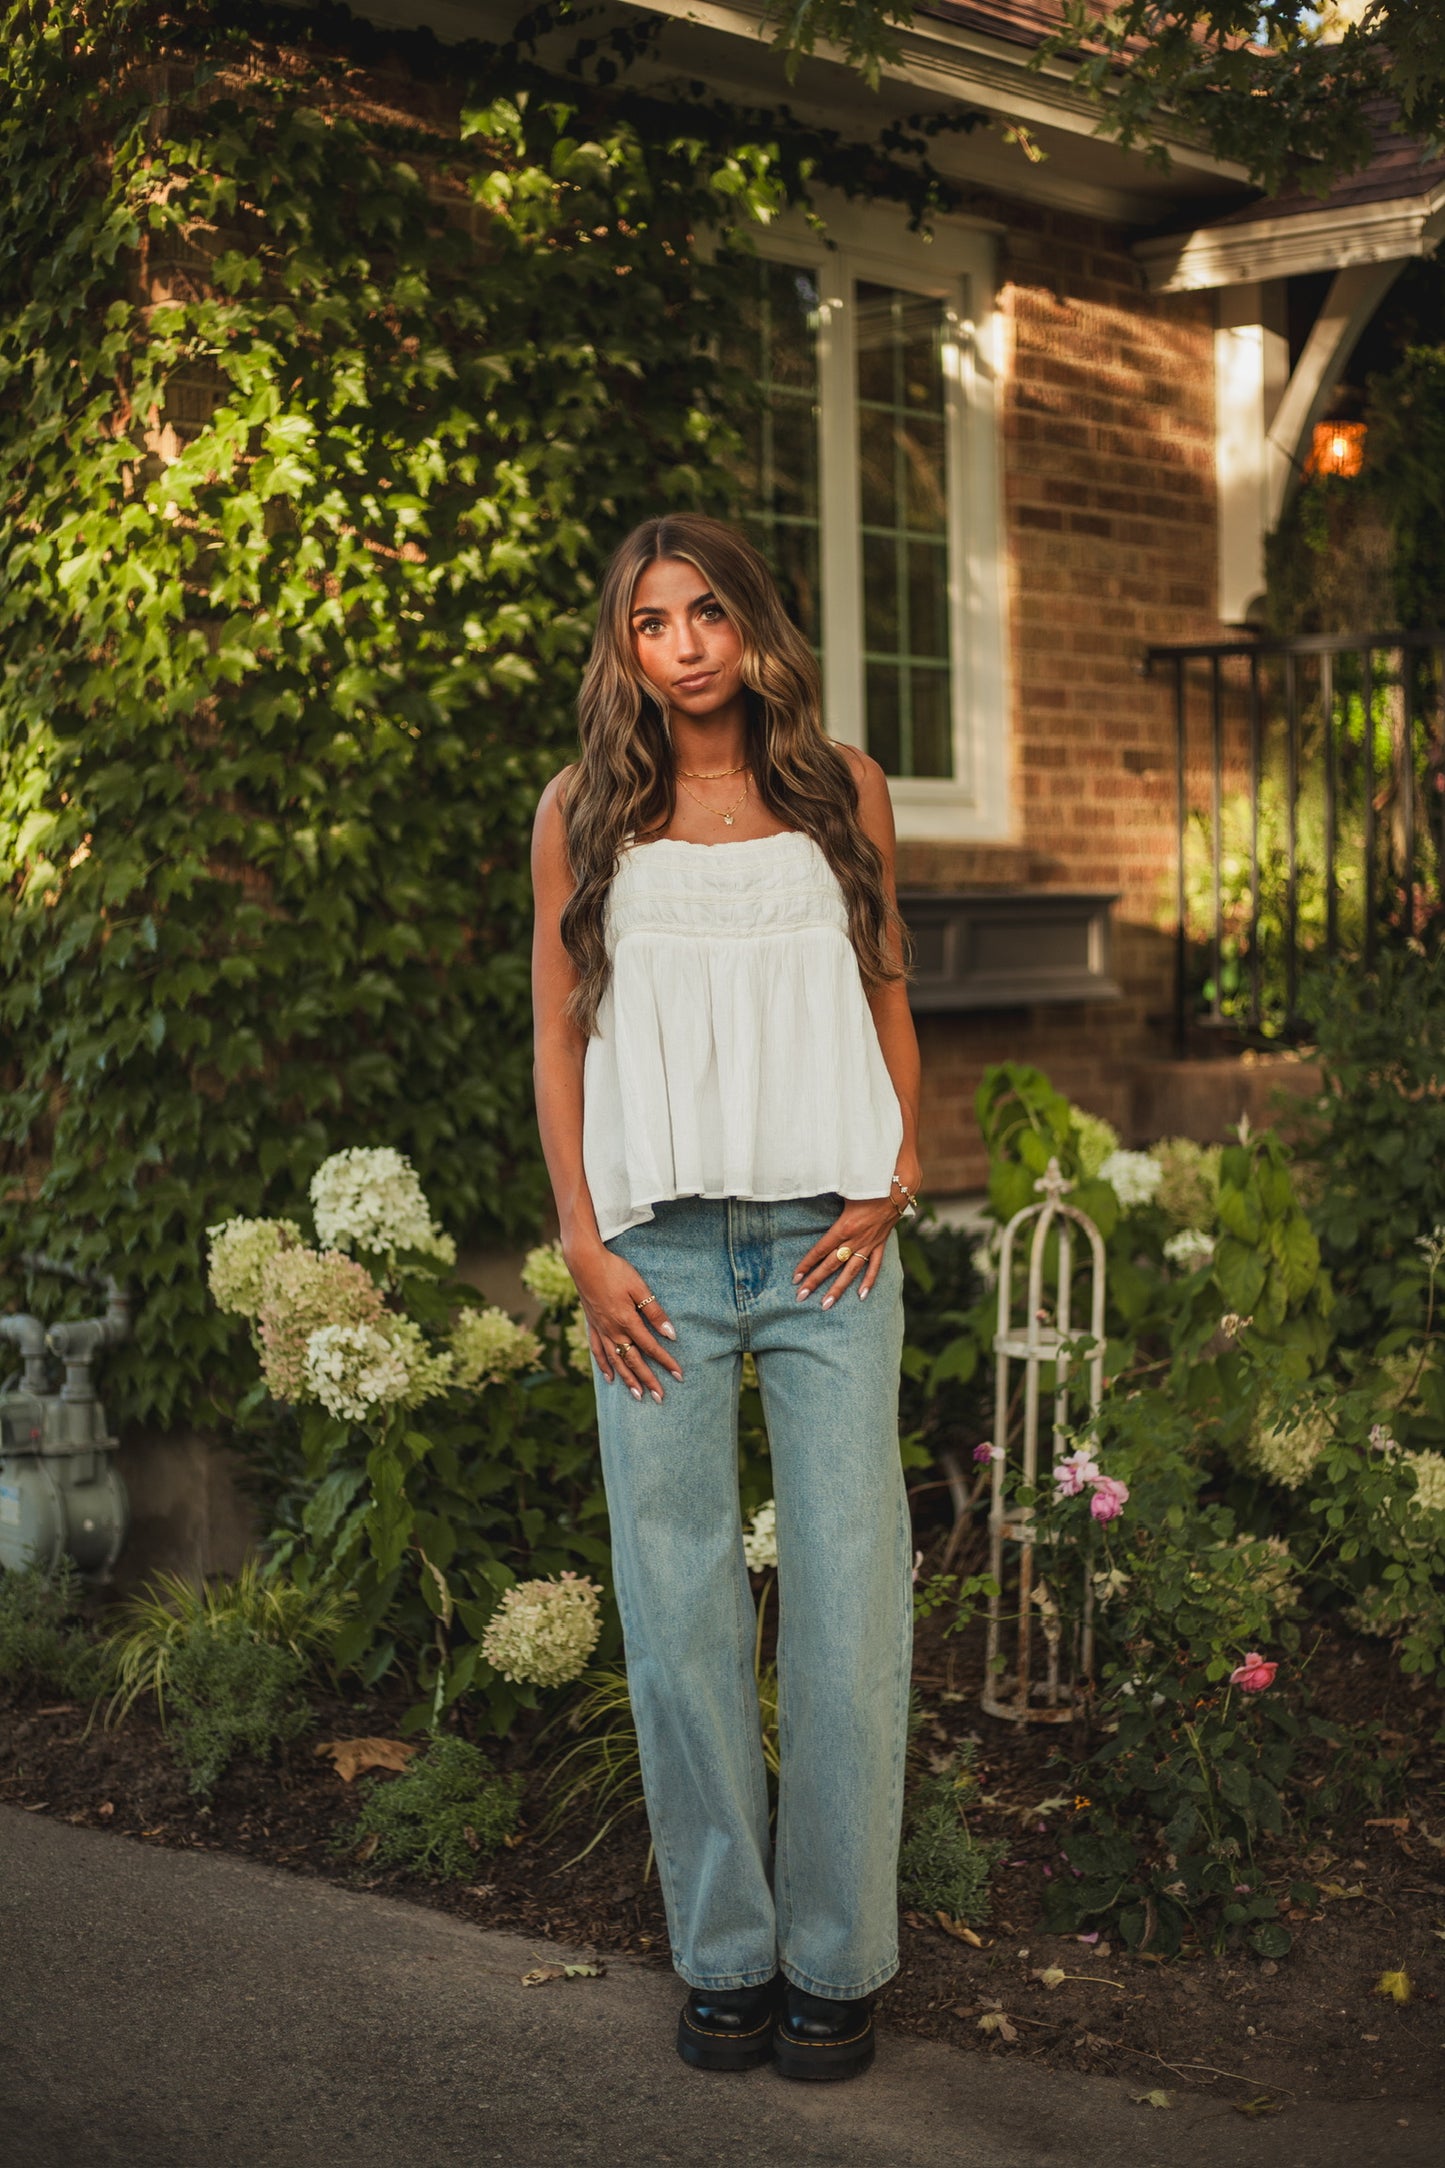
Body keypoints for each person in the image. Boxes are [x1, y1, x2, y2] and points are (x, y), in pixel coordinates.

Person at [530, 512, 923, 2083]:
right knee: (679, 1606)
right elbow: (559, 1039)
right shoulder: (582, 812)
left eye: (707, 613)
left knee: (847, 1602)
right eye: (652, 624)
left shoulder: (844, 794)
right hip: (659, 1259)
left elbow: (891, 993)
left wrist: (894, 1182)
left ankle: (835, 1958)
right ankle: (727, 1953)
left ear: (753, 624)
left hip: (831, 1244)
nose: (685, 645)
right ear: (624, 651)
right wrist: (580, 1241)